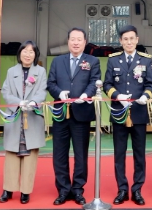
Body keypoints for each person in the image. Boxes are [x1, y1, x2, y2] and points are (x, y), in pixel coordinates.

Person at [47, 27, 101, 206]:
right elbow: (50, 83)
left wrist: (86, 95)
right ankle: (63, 190)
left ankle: (77, 189)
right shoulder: (57, 61)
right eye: (73, 39)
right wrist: (59, 93)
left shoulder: (92, 61)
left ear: (85, 42)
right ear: (68, 41)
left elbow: (94, 81)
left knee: (81, 154)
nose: (76, 42)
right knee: (59, 154)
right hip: (61, 113)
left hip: (82, 113)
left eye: (79, 39)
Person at [104, 25, 152, 206]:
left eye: (132, 38)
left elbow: (150, 84)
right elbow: (107, 84)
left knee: (139, 154)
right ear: (120, 41)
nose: (129, 42)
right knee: (119, 154)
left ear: (137, 40)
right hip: (119, 112)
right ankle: (122, 189)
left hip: (139, 113)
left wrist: (145, 96)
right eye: (125, 39)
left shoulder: (146, 60)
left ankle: (137, 190)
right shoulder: (113, 60)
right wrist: (118, 96)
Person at [0, 41, 48, 205]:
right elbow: (5, 91)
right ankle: (8, 189)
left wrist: (33, 102)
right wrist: (18, 102)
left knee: (30, 156)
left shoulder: (40, 71)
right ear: (19, 53)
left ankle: (26, 191)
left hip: (32, 116)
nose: (28, 54)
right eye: (25, 51)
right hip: (15, 116)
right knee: (12, 155)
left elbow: (42, 91)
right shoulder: (11, 71)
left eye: (31, 52)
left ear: (35, 55)